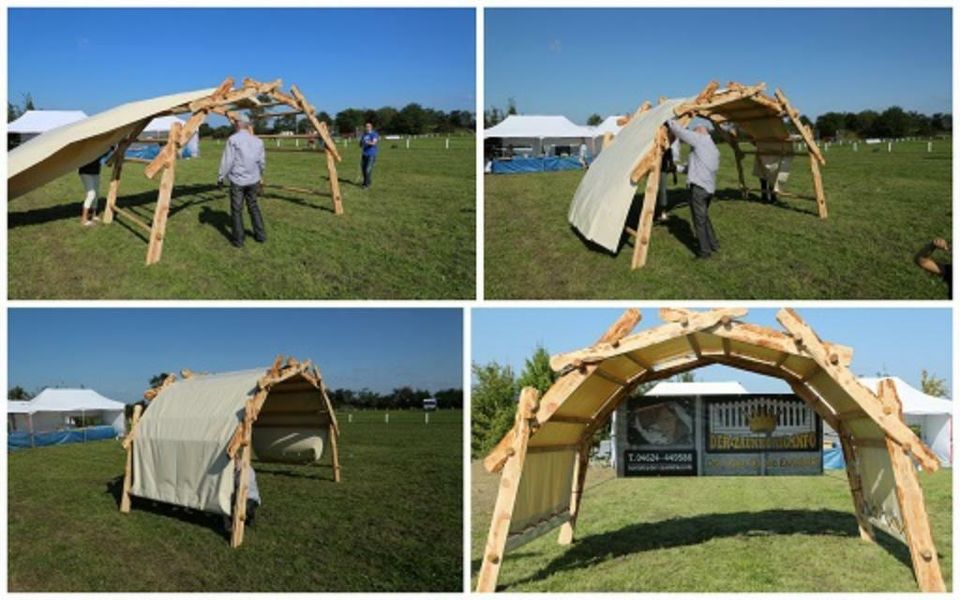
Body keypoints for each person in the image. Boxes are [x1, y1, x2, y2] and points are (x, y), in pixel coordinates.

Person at [667, 120, 720, 259]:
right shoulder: (712, 147)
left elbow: (679, 131)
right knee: (704, 218)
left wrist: (668, 119)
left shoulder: (700, 140)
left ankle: (704, 252)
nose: (693, 134)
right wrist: (675, 168)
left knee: (699, 221)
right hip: (708, 189)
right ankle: (714, 244)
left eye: (695, 131)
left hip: (699, 189)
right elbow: (690, 168)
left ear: (701, 131)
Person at [218, 118, 266, 248]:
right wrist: (260, 175)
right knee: (254, 206)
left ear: (238, 125)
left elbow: (227, 160)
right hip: (253, 180)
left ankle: (239, 240)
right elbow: (261, 162)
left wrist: (221, 176)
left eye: (235, 124)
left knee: (236, 210)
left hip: (237, 180)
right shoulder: (258, 141)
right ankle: (260, 236)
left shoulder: (233, 140)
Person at [224, 463, 261, 533]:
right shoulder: (232, 471)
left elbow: (243, 486)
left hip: (250, 497)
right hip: (236, 496)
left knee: (246, 507)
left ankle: (250, 517)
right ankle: (230, 527)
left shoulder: (248, 470)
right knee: (226, 506)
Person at [77, 150, 110, 226]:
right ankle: (84, 219)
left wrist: (112, 147)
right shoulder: (89, 146)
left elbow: (106, 152)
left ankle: (94, 215)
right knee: (91, 194)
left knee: (96, 193)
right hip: (85, 172)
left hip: (96, 172)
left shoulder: (101, 148)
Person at [656, 135, 681, 223]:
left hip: (662, 170)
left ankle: (662, 211)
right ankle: (658, 210)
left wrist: (674, 175)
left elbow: (671, 161)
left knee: (662, 191)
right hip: (654, 169)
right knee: (657, 191)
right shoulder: (654, 145)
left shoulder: (668, 149)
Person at [359, 122, 380, 188]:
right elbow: (360, 145)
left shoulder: (374, 134)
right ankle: (366, 181)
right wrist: (361, 143)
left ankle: (367, 185)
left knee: (368, 169)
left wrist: (367, 142)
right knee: (363, 169)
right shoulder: (364, 135)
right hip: (364, 154)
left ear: (371, 127)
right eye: (366, 126)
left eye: (368, 126)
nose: (367, 128)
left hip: (371, 154)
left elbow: (374, 143)